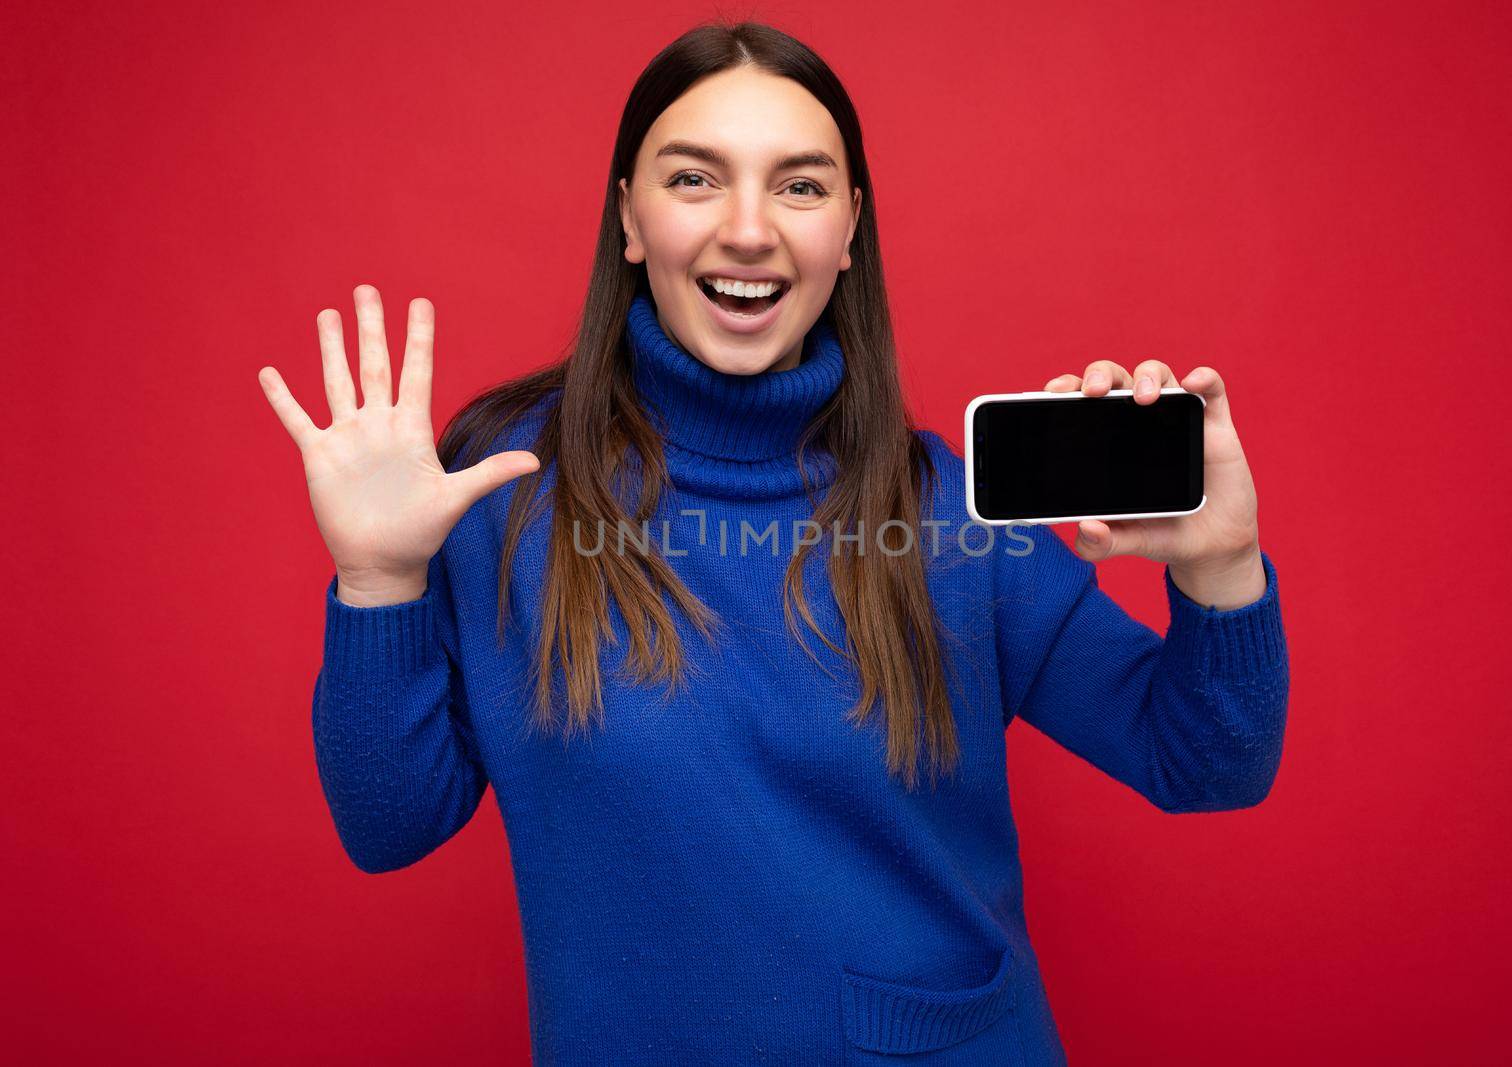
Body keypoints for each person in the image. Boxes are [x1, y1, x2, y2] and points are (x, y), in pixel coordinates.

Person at [257, 19, 1287, 1066]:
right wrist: (378, 578)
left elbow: (1205, 761)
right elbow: (389, 825)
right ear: (628, 217)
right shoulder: (502, 486)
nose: (748, 230)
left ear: (848, 231)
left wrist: (1219, 567)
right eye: (695, 179)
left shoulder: (946, 510)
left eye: (799, 187)